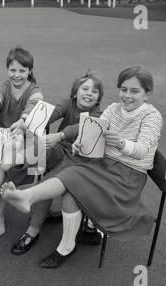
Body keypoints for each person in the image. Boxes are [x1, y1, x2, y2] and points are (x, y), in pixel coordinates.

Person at [0, 66, 163, 268]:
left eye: (134, 91)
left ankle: (34, 203)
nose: (127, 95)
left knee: (71, 179)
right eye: (124, 89)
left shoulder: (152, 116)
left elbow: (143, 151)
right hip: (103, 166)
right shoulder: (113, 109)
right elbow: (92, 132)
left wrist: (120, 142)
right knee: (71, 180)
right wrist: (81, 143)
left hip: (127, 176)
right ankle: (61, 238)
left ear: (147, 94)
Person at [10, 71, 104, 255]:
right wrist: (25, 122)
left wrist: (60, 135)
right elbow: (52, 113)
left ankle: (32, 229)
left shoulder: (97, 114)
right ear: (75, 92)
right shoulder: (68, 103)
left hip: (80, 160)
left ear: (99, 98)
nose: (89, 93)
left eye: (94, 91)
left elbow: (77, 128)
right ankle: (15, 161)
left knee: (49, 179)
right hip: (61, 149)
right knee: (38, 146)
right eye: (85, 88)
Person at [0, 46, 43, 238]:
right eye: (13, 70)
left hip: (23, 135)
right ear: (7, 70)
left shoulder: (35, 90)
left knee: (12, 163)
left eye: (22, 70)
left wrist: (21, 123)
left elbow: (33, 107)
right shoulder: (2, 86)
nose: (17, 74)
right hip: (2, 136)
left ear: (30, 71)